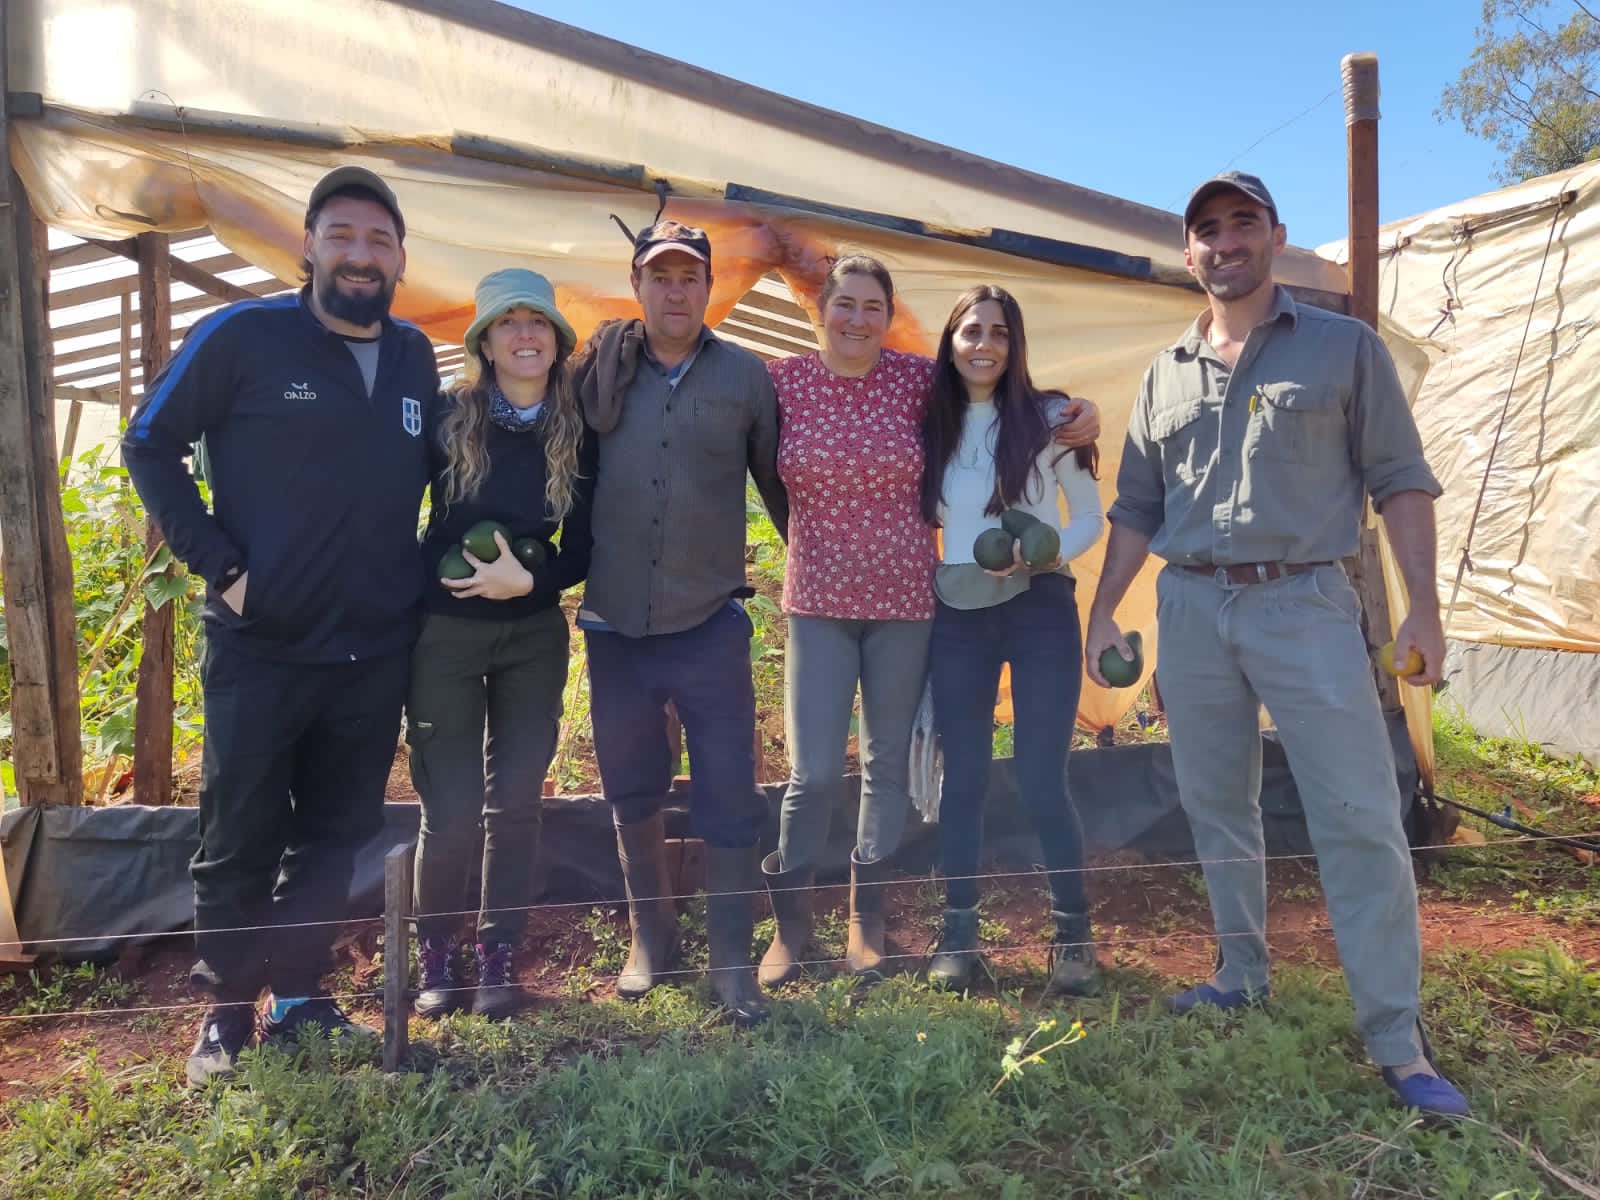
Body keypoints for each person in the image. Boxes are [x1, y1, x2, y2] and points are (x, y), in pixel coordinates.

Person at [1084, 171, 1469, 1117]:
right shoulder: (1164, 371)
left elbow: (1401, 480)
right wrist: (1103, 612)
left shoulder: (1344, 349)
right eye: (1206, 230)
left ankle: (1394, 1033)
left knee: (1359, 813)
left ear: (1274, 236)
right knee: (1217, 802)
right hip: (1190, 610)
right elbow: (1136, 506)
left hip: (1304, 604)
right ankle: (1241, 970)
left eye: (1242, 224)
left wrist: (1422, 607)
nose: (1225, 242)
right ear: (1188, 253)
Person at [122, 166, 439, 1085]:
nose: (361, 254)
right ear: (308, 245)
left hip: (374, 647)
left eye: (380, 241)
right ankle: (225, 1011)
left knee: (338, 833)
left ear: (400, 259)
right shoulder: (245, 337)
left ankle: (301, 996)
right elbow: (148, 440)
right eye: (342, 235)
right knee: (240, 831)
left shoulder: (417, 357)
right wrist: (221, 566)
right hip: (262, 648)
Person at [572, 220, 789, 1026]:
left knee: (730, 788)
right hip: (615, 621)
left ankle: (731, 956)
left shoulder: (745, 379)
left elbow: (780, 487)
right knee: (631, 784)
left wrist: (819, 569)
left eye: (689, 277)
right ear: (638, 285)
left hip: (708, 619)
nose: (675, 290)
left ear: (709, 289)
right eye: (660, 276)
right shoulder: (600, 369)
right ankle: (651, 936)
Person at [407, 269, 595, 1020]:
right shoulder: (449, 418)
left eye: (539, 323)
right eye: (509, 322)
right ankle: (436, 952)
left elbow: (584, 546)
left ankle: (498, 951)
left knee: (514, 801)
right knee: (447, 808)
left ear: (557, 342)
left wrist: (533, 580)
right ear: (485, 340)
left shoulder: (578, 431)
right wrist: (449, 579)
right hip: (447, 633)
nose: (525, 335)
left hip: (531, 635)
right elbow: (399, 518)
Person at [919, 285, 1106, 995]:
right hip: (960, 607)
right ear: (951, 339)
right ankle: (958, 932)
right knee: (963, 777)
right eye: (971, 331)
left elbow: (1090, 516)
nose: (984, 345)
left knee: (1039, 775)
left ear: (1015, 342)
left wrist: (1050, 551)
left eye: (998, 332)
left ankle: (1072, 935)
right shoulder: (930, 421)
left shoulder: (1052, 418)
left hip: (1039, 603)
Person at [760, 256, 938, 986]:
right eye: (846, 304)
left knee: (886, 762)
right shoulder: (781, 382)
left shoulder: (918, 380)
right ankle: (790, 927)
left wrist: (1066, 409)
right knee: (811, 772)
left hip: (905, 601)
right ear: (821, 310)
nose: (858, 320)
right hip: (818, 602)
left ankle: (867, 922)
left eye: (873, 307)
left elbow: (998, 394)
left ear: (888, 316)